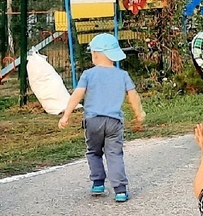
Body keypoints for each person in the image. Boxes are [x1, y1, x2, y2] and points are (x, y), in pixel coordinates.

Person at [59, 33, 145, 202]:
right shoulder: (123, 75)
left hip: (92, 121)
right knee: (114, 154)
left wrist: (66, 115)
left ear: (96, 54)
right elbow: (133, 96)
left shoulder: (88, 74)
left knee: (94, 152)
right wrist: (138, 113)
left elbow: (78, 94)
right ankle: (120, 190)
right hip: (114, 122)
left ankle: (98, 183)